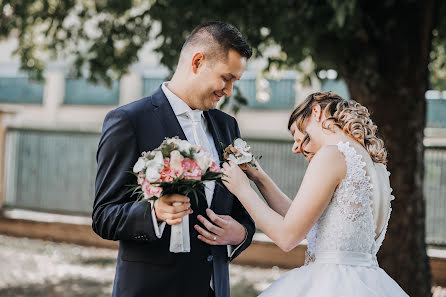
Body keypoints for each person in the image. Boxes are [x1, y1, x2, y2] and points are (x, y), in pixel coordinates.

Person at [93, 21, 255, 297]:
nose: (228, 92)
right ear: (197, 62)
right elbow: (104, 216)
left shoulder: (228, 127)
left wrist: (240, 233)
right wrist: (154, 212)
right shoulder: (129, 121)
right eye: (226, 78)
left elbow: (241, 211)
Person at [222, 91, 409, 296]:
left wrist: (242, 189)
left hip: (330, 284)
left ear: (316, 112)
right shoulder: (377, 167)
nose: (295, 147)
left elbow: (287, 237)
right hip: (369, 282)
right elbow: (300, 219)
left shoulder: (332, 155)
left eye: (297, 134)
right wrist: (260, 178)